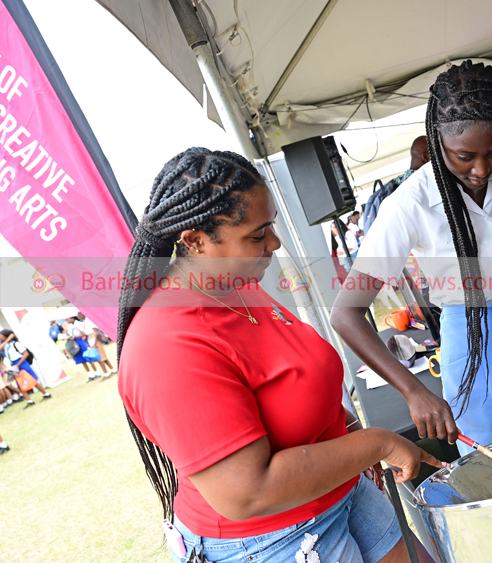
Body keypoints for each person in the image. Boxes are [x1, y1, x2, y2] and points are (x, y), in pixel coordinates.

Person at [118, 148, 441, 563]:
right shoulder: (166, 345)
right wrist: (373, 444)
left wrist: (344, 428)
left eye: (270, 226)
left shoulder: (234, 284)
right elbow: (246, 492)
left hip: (336, 490)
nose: (274, 243)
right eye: (257, 235)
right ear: (196, 241)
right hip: (271, 539)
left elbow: (290, 379)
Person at [332, 61, 492, 455]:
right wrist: (413, 391)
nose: (482, 168)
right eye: (464, 155)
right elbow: (345, 314)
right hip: (472, 350)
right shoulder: (408, 205)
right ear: (437, 141)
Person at [0, 330, 53, 408]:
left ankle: (46, 394)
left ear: (5, 336)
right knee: (20, 384)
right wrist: (7, 340)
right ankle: (29, 401)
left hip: (22, 364)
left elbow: (26, 354)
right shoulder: (6, 345)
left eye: (1, 336)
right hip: (15, 365)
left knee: (32, 380)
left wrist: (18, 365)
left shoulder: (16, 344)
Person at [77, 312, 117, 380]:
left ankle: (106, 374)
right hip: (91, 340)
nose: (78, 316)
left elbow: (96, 332)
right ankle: (113, 370)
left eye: (79, 314)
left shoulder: (89, 320)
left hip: (95, 340)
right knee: (102, 356)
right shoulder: (84, 322)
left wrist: (94, 343)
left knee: (100, 358)